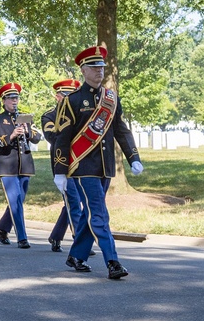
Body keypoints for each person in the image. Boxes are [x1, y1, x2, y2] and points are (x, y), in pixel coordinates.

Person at [53, 45, 143, 279]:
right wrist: (60, 171)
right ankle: (112, 261)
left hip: (105, 167)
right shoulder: (72, 100)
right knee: (99, 214)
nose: (99, 71)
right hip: (83, 167)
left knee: (90, 214)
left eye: (101, 66)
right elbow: (61, 139)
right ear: (83, 70)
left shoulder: (111, 99)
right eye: (94, 67)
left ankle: (76, 256)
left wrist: (133, 157)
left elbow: (121, 130)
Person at [0, 83, 42, 248]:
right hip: (6, 165)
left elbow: (37, 137)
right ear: (3, 100)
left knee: (19, 200)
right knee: (15, 202)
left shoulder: (25, 117)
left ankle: (3, 227)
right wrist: (11, 135)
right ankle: (22, 237)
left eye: (16, 97)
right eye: (11, 98)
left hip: (24, 165)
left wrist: (27, 131)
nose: (14, 100)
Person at [41, 79, 83, 252]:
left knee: (73, 201)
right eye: (66, 95)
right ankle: (79, 241)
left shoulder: (80, 113)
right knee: (73, 200)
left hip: (80, 162)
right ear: (58, 96)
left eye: (72, 95)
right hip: (62, 164)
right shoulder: (49, 116)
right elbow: (52, 137)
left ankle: (56, 236)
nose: (69, 99)